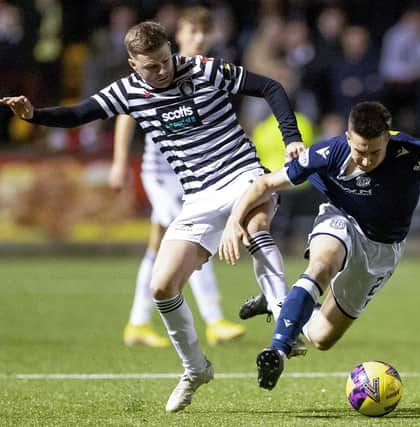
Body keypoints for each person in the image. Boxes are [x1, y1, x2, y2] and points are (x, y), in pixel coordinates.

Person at [1, 21, 306, 412]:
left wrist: (291, 136)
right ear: (133, 64)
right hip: (198, 196)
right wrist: (34, 115)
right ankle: (195, 368)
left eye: (165, 60)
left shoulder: (202, 68)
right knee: (162, 287)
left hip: (242, 174)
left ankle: (285, 325)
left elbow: (270, 87)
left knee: (255, 228)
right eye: (152, 66)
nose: (162, 71)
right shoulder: (128, 92)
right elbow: (80, 113)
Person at [219, 102, 420, 390]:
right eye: (360, 151)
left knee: (321, 337)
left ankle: (278, 304)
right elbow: (264, 184)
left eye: (375, 152)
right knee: (322, 264)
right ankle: (278, 350)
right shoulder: (328, 152)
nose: (366, 160)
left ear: (388, 138)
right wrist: (233, 221)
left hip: (382, 249)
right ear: (348, 137)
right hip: (340, 219)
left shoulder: (414, 153)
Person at [109, 7, 245, 349]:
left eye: (205, 30)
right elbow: (126, 112)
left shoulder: (211, 70)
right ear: (177, 37)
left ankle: (137, 323)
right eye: (192, 30)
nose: (199, 37)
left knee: (157, 248)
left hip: (198, 176)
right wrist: (119, 162)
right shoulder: (159, 68)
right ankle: (214, 320)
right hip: (163, 174)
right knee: (191, 236)